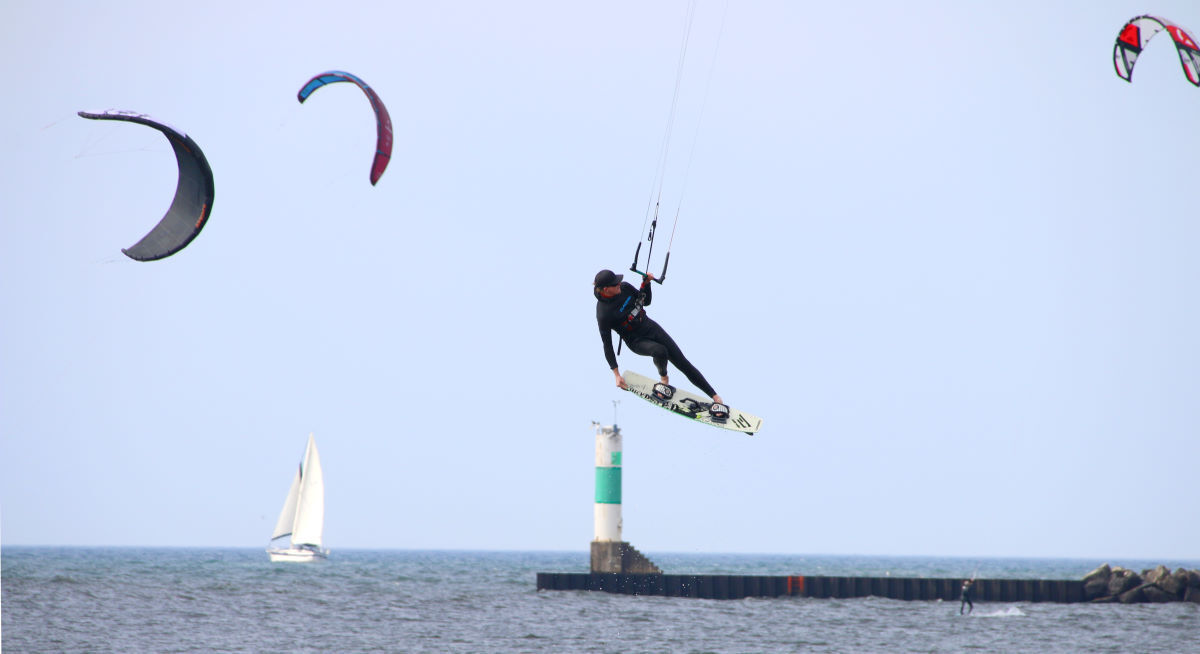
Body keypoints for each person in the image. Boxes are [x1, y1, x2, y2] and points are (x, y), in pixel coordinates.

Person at [593, 268, 725, 412]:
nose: (619, 284)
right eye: (615, 284)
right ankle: (664, 379)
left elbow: (646, 301)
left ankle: (715, 396)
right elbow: (607, 345)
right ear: (606, 289)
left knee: (682, 361)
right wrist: (616, 375)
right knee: (660, 352)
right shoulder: (603, 314)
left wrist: (647, 284)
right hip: (635, 340)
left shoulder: (624, 287)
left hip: (651, 327)